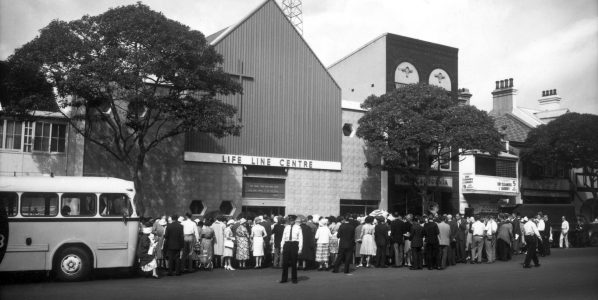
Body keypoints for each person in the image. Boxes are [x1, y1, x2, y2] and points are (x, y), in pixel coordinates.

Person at [280, 215, 303, 284]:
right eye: (290, 220)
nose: (291, 221)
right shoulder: (286, 227)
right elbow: (283, 237)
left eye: (292, 220)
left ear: (294, 221)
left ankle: (294, 279)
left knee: (294, 262)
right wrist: (282, 247)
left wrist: (300, 248)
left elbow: (301, 238)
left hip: (294, 244)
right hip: (287, 244)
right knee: (285, 263)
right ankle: (284, 279)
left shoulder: (298, 227)